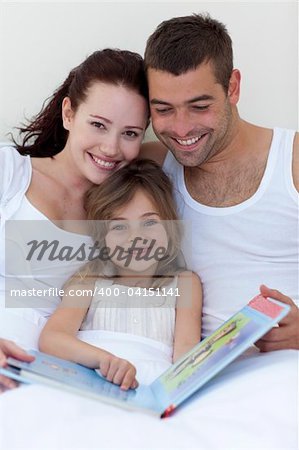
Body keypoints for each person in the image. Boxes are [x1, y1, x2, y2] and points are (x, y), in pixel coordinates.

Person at [141, 13, 299, 351]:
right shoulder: (150, 167)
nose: (181, 129)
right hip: (200, 383)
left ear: (232, 87)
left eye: (199, 106)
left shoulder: (292, 161)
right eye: (164, 110)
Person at [0, 48, 149, 317]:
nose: (110, 148)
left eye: (130, 133)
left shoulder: (127, 213)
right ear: (68, 114)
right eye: (98, 125)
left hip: (49, 355)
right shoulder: (9, 171)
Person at [38, 160, 202, 390]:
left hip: (149, 389)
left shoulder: (185, 283)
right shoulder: (90, 280)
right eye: (119, 227)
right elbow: (52, 338)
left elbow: (186, 353)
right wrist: (105, 360)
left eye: (149, 222)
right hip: (89, 380)